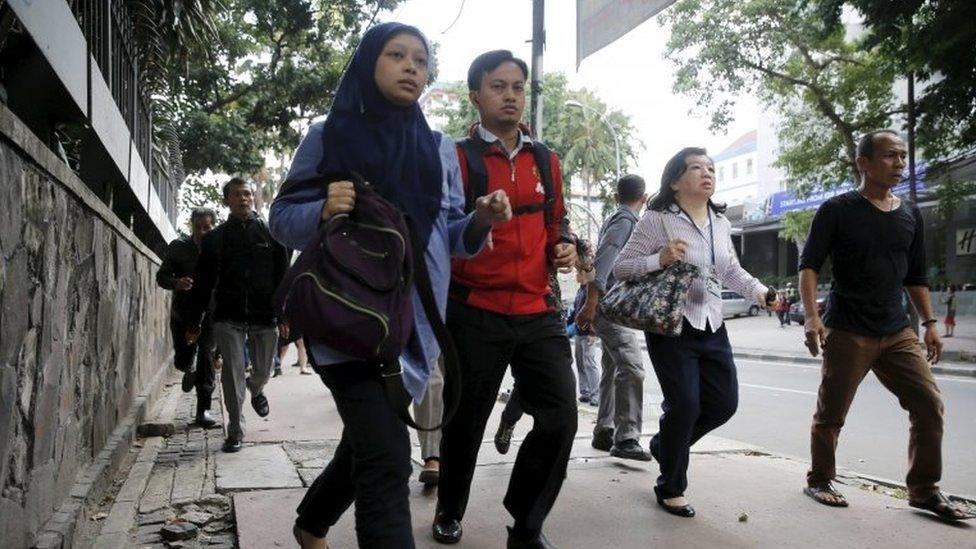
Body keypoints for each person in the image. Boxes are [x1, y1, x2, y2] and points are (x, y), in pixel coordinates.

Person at [268, 23, 508, 548]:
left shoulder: (439, 148)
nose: (410, 67)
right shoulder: (327, 134)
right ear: (369, 63)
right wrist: (323, 210)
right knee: (388, 457)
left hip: (413, 329)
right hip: (345, 320)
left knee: (366, 445)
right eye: (396, 55)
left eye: (420, 60)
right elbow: (281, 217)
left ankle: (310, 525)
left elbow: (446, 235)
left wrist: (479, 222)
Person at [433, 50, 578, 548]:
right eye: (498, 86)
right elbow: (440, 231)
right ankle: (450, 508)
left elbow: (557, 223)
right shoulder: (455, 158)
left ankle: (526, 522)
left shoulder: (546, 160)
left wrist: (564, 246)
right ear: (476, 96)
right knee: (464, 421)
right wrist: (479, 220)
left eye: (517, 86)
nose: (511, 95)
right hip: (475, 311)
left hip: (539, 310)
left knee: (561, 417)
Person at [799, 130, 971, 521]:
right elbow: (809, 265)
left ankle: (925, 491)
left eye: (903, 156)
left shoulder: (911, 214)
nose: (899, 163)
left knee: (929, 404)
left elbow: (915, 277)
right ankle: (820, 479)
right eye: (890, 156)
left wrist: (929, 322)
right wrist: (812, 316)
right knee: (832, 413)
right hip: (847, 329)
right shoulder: (837, 209)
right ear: (864, 163)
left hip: (896, 330)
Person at [613, 147, 772, 518]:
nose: (708, 173)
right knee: (685, 405)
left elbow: (730, 270)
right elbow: (622, 268)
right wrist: (660, 259)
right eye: (697, 167)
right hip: (673, 326)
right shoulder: (656, 219)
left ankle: (665, 444)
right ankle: (670, 486)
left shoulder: (720, 221)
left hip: (712, 323)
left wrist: (761, 292)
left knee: (723, 404)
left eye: (711, 168)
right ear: (675, 180)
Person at [185, 178, 290, 454]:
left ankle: (257, 389)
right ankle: (235, 430)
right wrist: (194, 321)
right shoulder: (214, 240)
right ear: (226, 201)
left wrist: (285, 316)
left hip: (265, 315)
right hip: (228, 317)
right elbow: (203, 284)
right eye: (236, 195)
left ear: (253, 198)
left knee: (264, 369)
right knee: (231, 376)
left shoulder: (272, 234)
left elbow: (283, 278)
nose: (243, 199)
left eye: (247, 194)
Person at [576, 174, 653, 462]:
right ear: (643, 198)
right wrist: (592, 302)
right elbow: (604, 261)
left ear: (617, 196)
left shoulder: (619, 219)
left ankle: (604, 430)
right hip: (608, 306)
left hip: (607, 306)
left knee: (611, 367)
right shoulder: (625, 222)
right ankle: (626, 437)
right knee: (632, 367)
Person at [156, 207, 218, 427]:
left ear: (214, 226)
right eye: (199, 227)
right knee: (183, 358)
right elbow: (161, 276)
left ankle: (204, 411)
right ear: (192, 226)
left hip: (211, 315)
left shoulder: (220, 248)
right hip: (183, 313)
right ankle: (187, 368)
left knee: (207, 360)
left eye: (207, 227)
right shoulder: (178, 247)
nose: (203, 231)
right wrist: (177, 283)